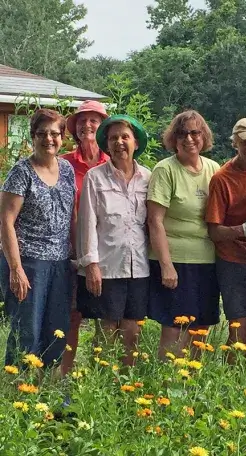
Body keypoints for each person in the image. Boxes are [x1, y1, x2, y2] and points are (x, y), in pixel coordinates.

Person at [0, 108, 76, 367]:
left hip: (61, 263)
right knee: (27, 330)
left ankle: (47, 389)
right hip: (29, 263)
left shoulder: (66, 169)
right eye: (42, 133)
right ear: (33, 136)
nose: (49, 139)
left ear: (63, 137)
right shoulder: (21, 172)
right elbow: (6, 222)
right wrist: (16, 269)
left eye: (55, 133)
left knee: (56, 329)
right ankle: (17, 388)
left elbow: (71, 216)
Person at [76, 114, 151, 366]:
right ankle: (101, 383)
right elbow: (86, 224)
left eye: (125, 137)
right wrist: (91, 265)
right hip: (107, 267)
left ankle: (127, 387)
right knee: (106, 330)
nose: (120, 142)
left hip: (139, 267)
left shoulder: (148, 178)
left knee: (133, 330)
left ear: (136, 143)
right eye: (113, 138)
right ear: (106, 145)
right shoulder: (95, 178)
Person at [147, 110, 220, 360]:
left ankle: (192, 383)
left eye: (194, 132)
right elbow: (154, 221)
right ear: (173, 139)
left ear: (204, 136)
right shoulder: (165, 170)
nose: (189, 139)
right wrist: (166, 266)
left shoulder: (214, 169)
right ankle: (166, 384)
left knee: (200, 327)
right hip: (175, 261)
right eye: (182, 133)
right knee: (175, 326)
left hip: (207, 261)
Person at [206, 118, 246, 346]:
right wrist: (243, 229)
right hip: (234, 261)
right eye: (245, 143)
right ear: (235, 143)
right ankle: (233, 377)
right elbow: (214, 231)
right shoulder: (222, 178)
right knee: (239, 327)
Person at [61, 100, 109, 375]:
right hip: (70, 252)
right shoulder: (65, 163)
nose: (87, 125)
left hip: (105, 253)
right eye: (82, 120)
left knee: (106, 317)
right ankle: (65, 378)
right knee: (72, 316)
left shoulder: (113, 161)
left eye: (93, 120)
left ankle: (97, 377)